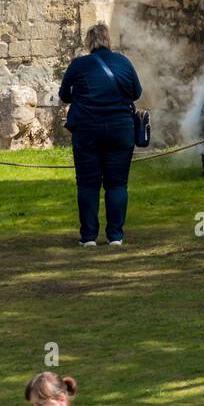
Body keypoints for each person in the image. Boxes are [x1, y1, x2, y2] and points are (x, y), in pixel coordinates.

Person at [58, 23, 141, 248]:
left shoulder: (79, 65)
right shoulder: (123, 62)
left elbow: (64, 95)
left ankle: (88, 237)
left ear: (89, 42)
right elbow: (136, 93)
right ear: (108, 40)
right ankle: (115, 236)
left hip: (87, 130)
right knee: (117, 184)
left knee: (87, 184)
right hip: (120, 129)